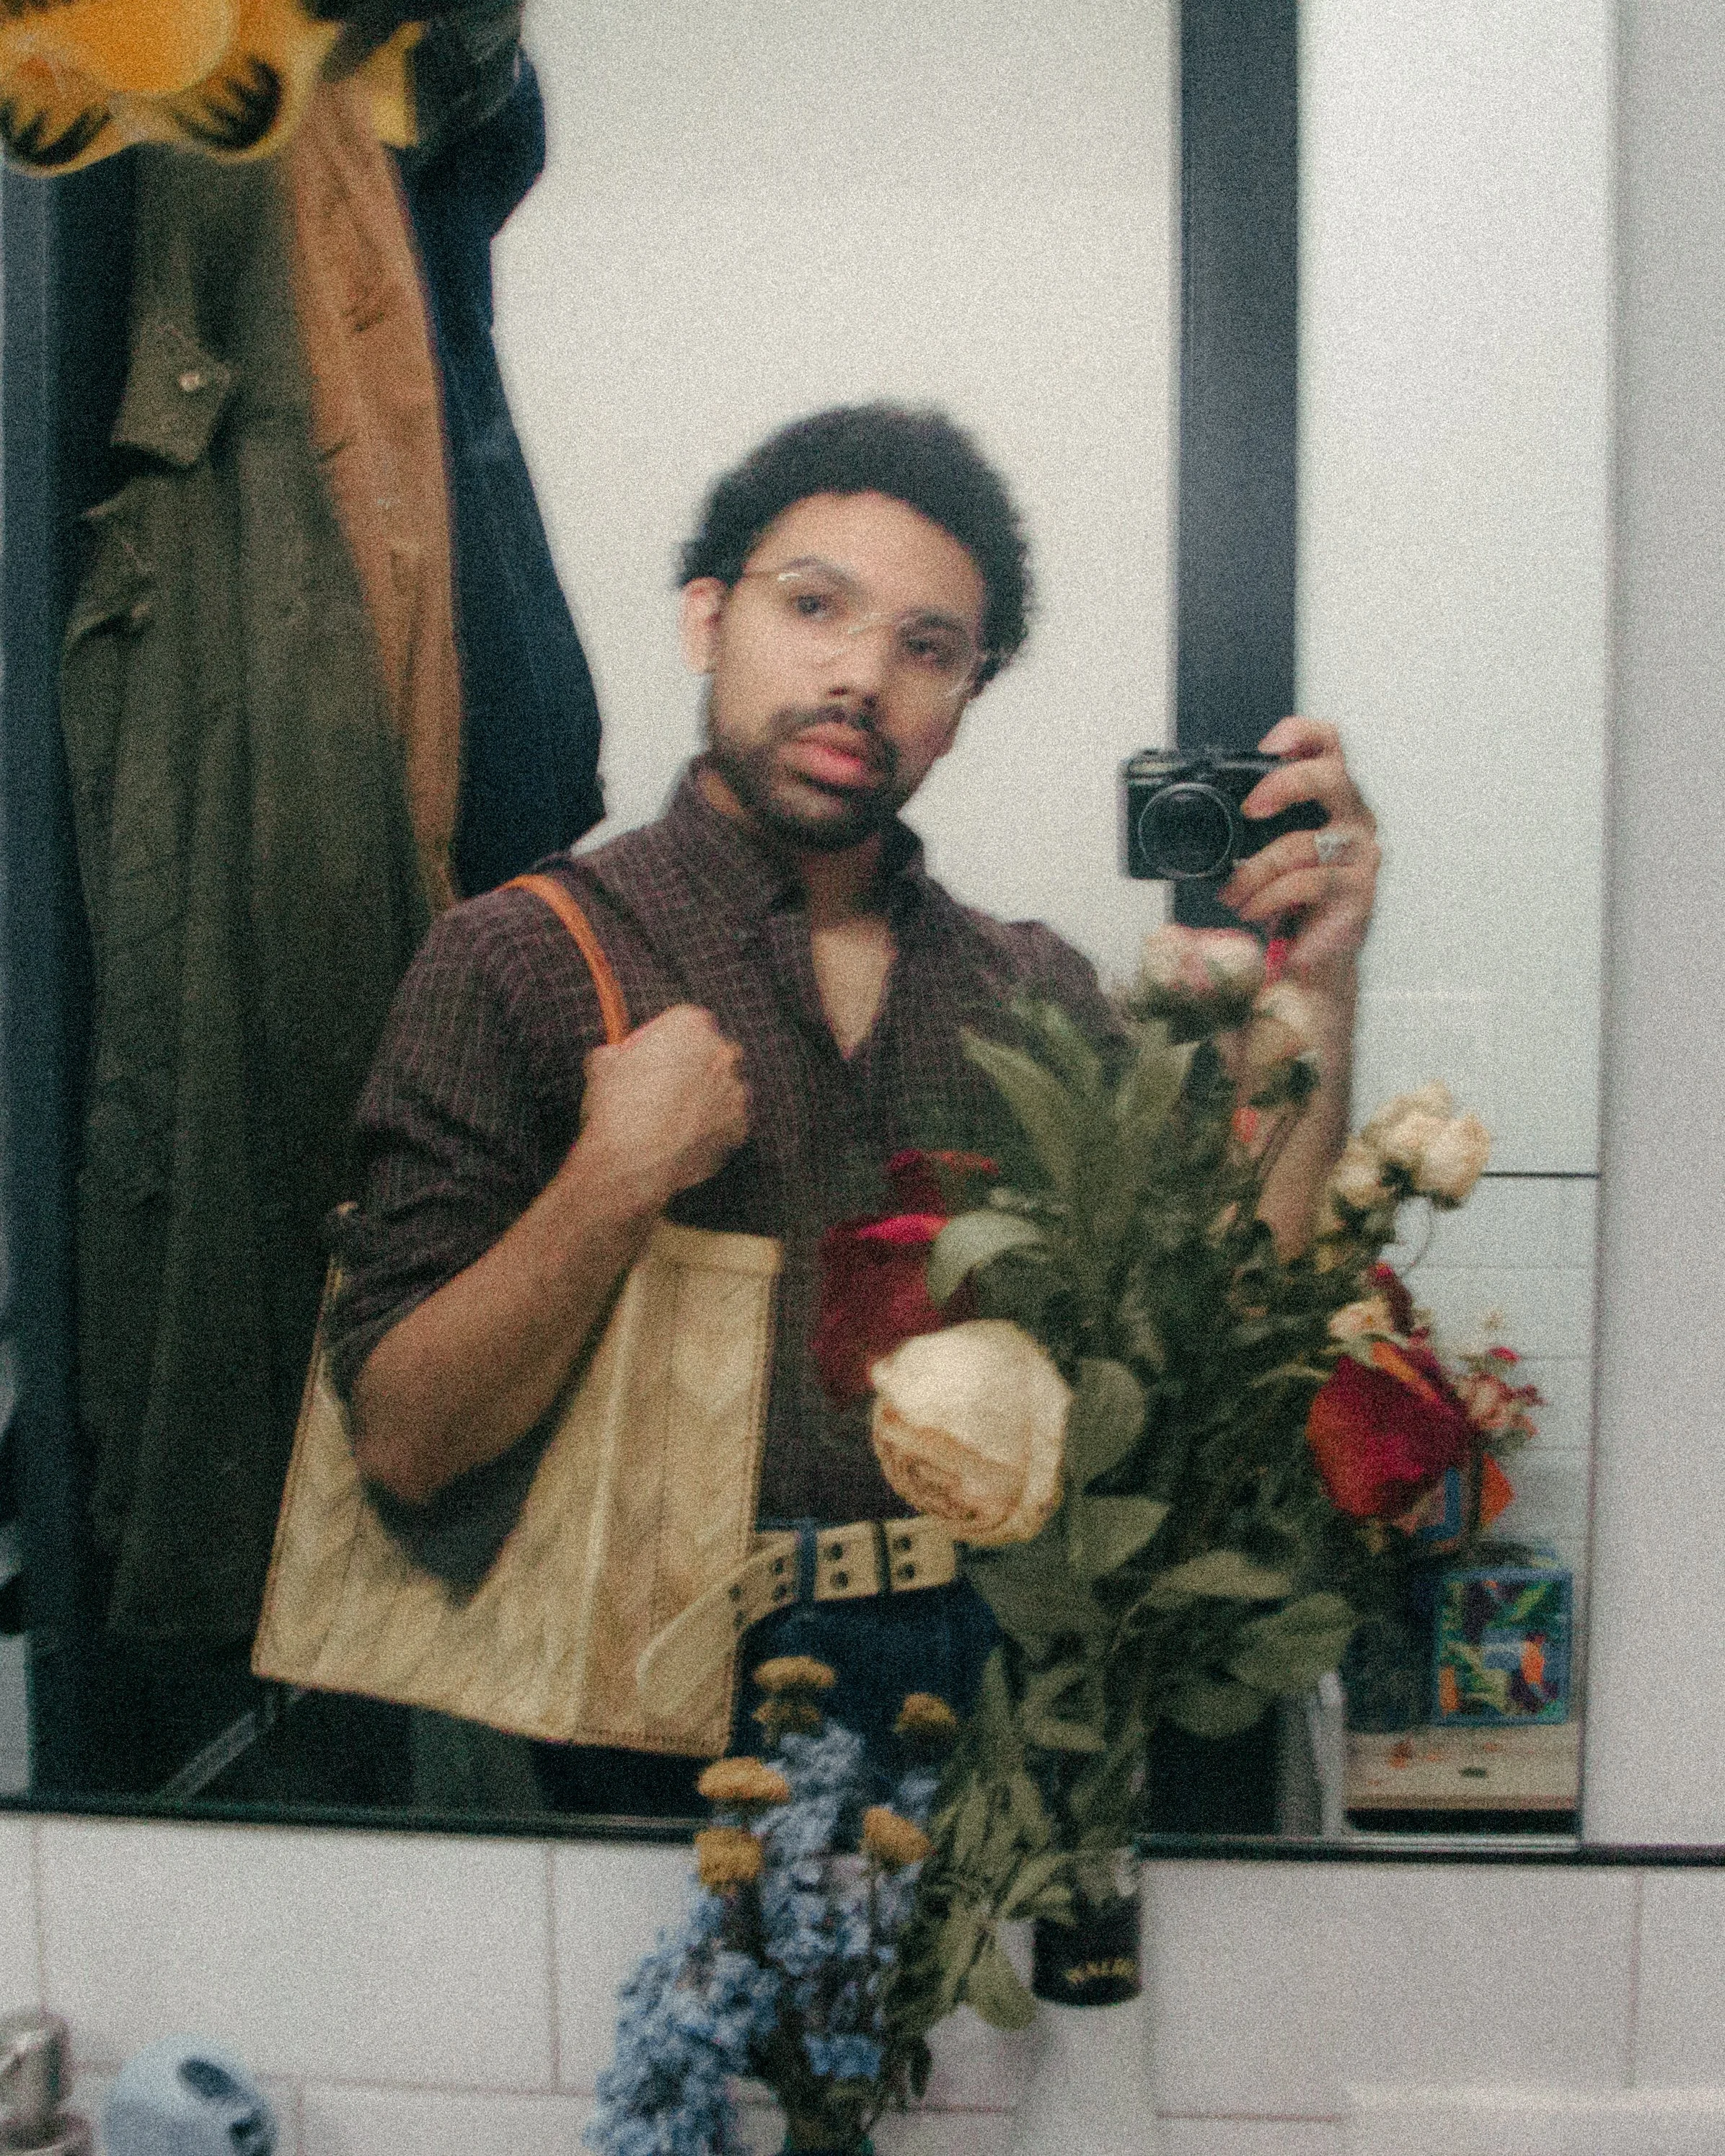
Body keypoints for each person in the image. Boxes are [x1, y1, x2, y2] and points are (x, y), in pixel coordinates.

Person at [324, 402, 1380, 1811]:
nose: (860, 675)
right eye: (813, 605)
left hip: (997, 1689)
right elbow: (402, 1442)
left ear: (965, 697)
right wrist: (608, 1180)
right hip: (645, 1705)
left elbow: (1234, 1331)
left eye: (925, 646)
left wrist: (1319, 996)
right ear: (708, 619)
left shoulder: (1030, 996)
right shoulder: (517, 958)